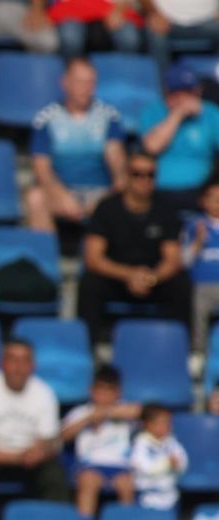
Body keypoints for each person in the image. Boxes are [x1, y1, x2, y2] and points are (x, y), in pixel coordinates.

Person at [79, 151, 190, 343]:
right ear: (126, 176)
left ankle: (180, 347)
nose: (144, 180)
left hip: (152, 279)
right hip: (116, 277)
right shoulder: (107, 208)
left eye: (150, 174)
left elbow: (172, 259)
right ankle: (88, 347)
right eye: (137, 174)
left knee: (181, 284)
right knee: (90, 284)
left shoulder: (166, 210)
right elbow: (93, 258)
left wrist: (151, 278)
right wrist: (129, 275)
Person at [25, 58, 128, 234]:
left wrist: (109, 195)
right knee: (35, 198)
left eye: (91, 83)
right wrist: (62, 196)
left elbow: (116, 159)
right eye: (80, 82)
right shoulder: (47, 119)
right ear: (65, 83)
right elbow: (41, 168)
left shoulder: (108, 116)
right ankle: (46, 257)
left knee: (125, 198)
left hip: (100, 192)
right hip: (61, 190)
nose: (86, 89)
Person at [0, 338, 69, 502]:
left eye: (24, 360)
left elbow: (48, 439)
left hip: (32, 461)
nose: (18, 367)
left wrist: (41, 452)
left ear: (32, 365)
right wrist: (17, 458)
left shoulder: (44, 393)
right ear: (2, 363)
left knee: (54, 473)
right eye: (13, 359)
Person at [61, 364, 140, 518]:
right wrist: (89, 418)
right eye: (100, 390)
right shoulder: (82, 412)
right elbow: (64, 435)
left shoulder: (122, 412)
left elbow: (142, 412)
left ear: (118, 393)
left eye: (109, 391)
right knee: (88, 482)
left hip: (119, 466)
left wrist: (105, 413)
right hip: (90, 464)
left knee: (126, 484)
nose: (103, 396)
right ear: (91, 390)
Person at [137, 67, 219, 209]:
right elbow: (151, 147)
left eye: (189, 93)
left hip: (201, 191)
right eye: (177, 94)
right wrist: (178, 114)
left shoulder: (210, 113)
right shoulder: (154, 111)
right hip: (160, 191)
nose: (184, 98)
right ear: (167, 94)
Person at [131, 404, 189, 510]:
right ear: (147, 424)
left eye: (168, 422)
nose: (166, 426)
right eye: (160, 423)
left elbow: (183, 462)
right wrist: (167, 463)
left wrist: (177, 464)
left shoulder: (172, 441)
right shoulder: (141, 443)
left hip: (170, 495)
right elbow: (145, 467)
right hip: (146, 496)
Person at [183, 179, 219, 338]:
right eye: (214, 198)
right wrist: (198, 242)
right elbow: (184, 261)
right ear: (203, 200)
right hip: (202, 285)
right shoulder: (193, 225)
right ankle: (198, 351)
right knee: (198, 311)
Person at [51, 0, 143, 58]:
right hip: (71, 10)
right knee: (70, 38)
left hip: (112, 9)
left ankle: (122, 82)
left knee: (128, 38)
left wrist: (120, 10)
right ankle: (75, 79)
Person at [146, 0, 219, 71]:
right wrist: (153, 12)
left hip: (209, 18)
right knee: (156, 33)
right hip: (167, 19)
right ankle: (162, 81)